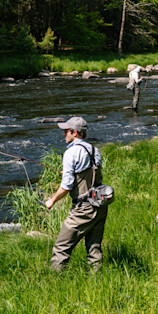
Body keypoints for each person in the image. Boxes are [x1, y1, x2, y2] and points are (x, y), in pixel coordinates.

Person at [45, 116, 107, 272]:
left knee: (61, 247)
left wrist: (52, 200)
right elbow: (90, 173)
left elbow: (66, 187)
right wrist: (70, 172)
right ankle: (97, 279)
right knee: (94, 248)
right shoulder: (94, 150)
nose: (64, 134)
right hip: (100, 204)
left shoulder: (71, 153)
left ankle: (55, 280)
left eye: (66, 131)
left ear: (75, 132)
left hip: (83, 209)